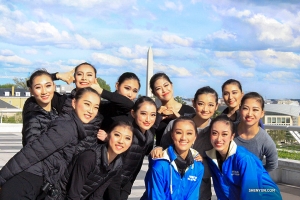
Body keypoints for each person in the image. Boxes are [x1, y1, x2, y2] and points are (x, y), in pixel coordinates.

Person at [0, 87, 101, 199]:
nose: (91, 110)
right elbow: (31, 153)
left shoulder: (73, 128)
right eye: (87, 104)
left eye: (95, 107)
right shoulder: (67, 128)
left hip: (34, 183)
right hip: (24, 183)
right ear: (74, 103)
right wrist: (2, 178)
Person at [151, 86, 219, 200]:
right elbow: (163, 151)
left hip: (200, 191)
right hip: (170, 191)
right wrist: (157, 149)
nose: (205, 109)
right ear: (193, 103)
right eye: (201, 103)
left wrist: (198, 165)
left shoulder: (216, 131)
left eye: (211, 105)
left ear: (217, 106)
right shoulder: (175, 124)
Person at [206, 115, 282, 200]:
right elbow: (221, 191)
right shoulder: (212, 158)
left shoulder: (243, 158)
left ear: (232, 136)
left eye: (224, 134)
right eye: (214, 133)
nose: (219, 139)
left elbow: (251, 194)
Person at [60, 121, 134, 199]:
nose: (121, 141)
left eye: (127, 138)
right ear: (108, 136)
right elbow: (73, 194)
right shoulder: (89, 157)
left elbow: (97, 196)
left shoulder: (117, 164)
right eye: (117, 135)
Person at [104, 96, 157, 200]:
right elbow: (112, 172)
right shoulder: (126, 136)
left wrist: (126, 190)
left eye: (153, 115)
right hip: (106, 188)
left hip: (123, 187)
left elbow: (134, 168)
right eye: (143, 113)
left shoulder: (148, 138)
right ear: (133, 113)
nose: (148, 119)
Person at [142, 116, 204, 200]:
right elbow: (155, 196)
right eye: (178, 132)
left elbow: (193, 196)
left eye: (189, 133)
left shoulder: (198, 166)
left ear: (195, 137)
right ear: (172, 135)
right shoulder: (160, 164)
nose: (183, 138)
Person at [234, 92, 278, 172]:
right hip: (227, 182)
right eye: (245, 108)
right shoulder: (228, 130)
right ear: (240, 110)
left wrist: (255, 173)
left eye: (255, 110)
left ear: (262, 113)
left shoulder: (265, 140)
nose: (250, 114)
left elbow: (272, 164)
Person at [149, 72, 195, 146]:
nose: (164, 90)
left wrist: (180, 118)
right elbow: (147, 140)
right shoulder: (152, 114)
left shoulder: (188, 110)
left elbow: (195, 136)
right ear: (154, 93)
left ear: (172, 85)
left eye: (166, 85)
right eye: (158, 88)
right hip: (161, 155)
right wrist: (157, 117)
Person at [22, 69, 58, 146]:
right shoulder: (33, 118)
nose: (44, 92)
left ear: (54, 87)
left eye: (48, 86)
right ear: (31, 91)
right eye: (38, 87)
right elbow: (34, 150)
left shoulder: (54, 112)